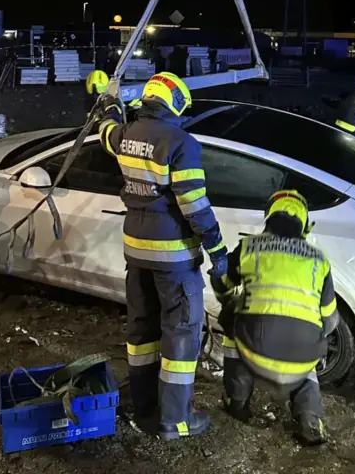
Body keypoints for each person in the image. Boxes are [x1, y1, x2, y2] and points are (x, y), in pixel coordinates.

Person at [96, 72, 228, 440]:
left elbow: (107, 130)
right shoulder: (180, 142)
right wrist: (217, 249)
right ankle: (175, 419)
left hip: (136, 251)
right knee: (181, 334)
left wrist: (109, 105)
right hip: (174, 257)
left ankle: (143, 405)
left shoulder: (127, 134)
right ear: (176, 104)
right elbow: (194, 205)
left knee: (142, 330)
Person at [209, 189, 338, 446]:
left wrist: (229, 302)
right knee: (308, 355)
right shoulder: (319, 260)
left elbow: (221, 282)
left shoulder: (249, 246)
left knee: (230, 319)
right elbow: (330, 318)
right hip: (302, 359)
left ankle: (237, 403)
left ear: (269, 217)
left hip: (256, 351)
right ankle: (311, 418)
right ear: (304, 224)